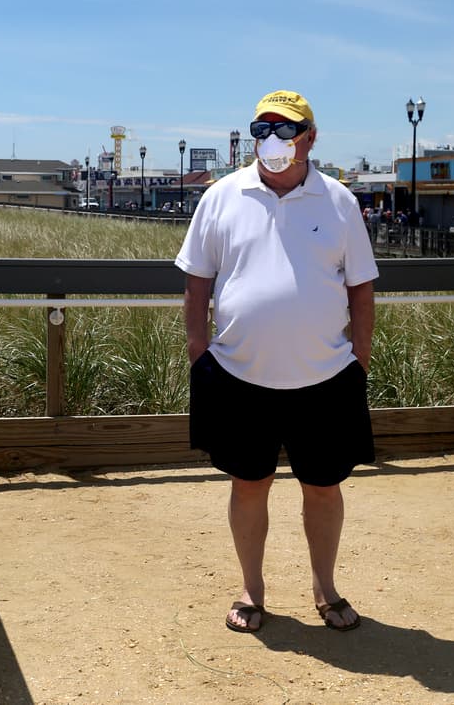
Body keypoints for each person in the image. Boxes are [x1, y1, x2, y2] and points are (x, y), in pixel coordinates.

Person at [176, 89, 377, 635]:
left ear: (310, 137)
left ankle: (325, 587)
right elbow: (196, 285)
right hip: (238, 375)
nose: (273, 140)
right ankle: (251, 588)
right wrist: (201, 355)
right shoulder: (220, 196)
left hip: (327, 377)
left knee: (324, 487)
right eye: (262, 129)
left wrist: (358, 361)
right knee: (248, 484)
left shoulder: (339, 202)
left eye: (286, 130)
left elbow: (361, 290)